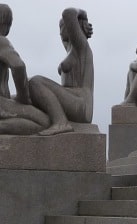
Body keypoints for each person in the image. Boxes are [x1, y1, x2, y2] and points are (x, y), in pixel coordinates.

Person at [0, 4, 50, 147]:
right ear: (9, 23)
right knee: (44, 121)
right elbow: (18, 66)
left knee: (18, 104)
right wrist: (24, 97)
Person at [29, 7, 94, 135]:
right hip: (71, 99)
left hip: (81, 104)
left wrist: (83, 15)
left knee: (36, 82)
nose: (60, 32)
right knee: (27, 90)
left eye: (62, 27)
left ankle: (61, 122)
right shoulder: (70, 49)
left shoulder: (82, 48)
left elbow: (68, 13)